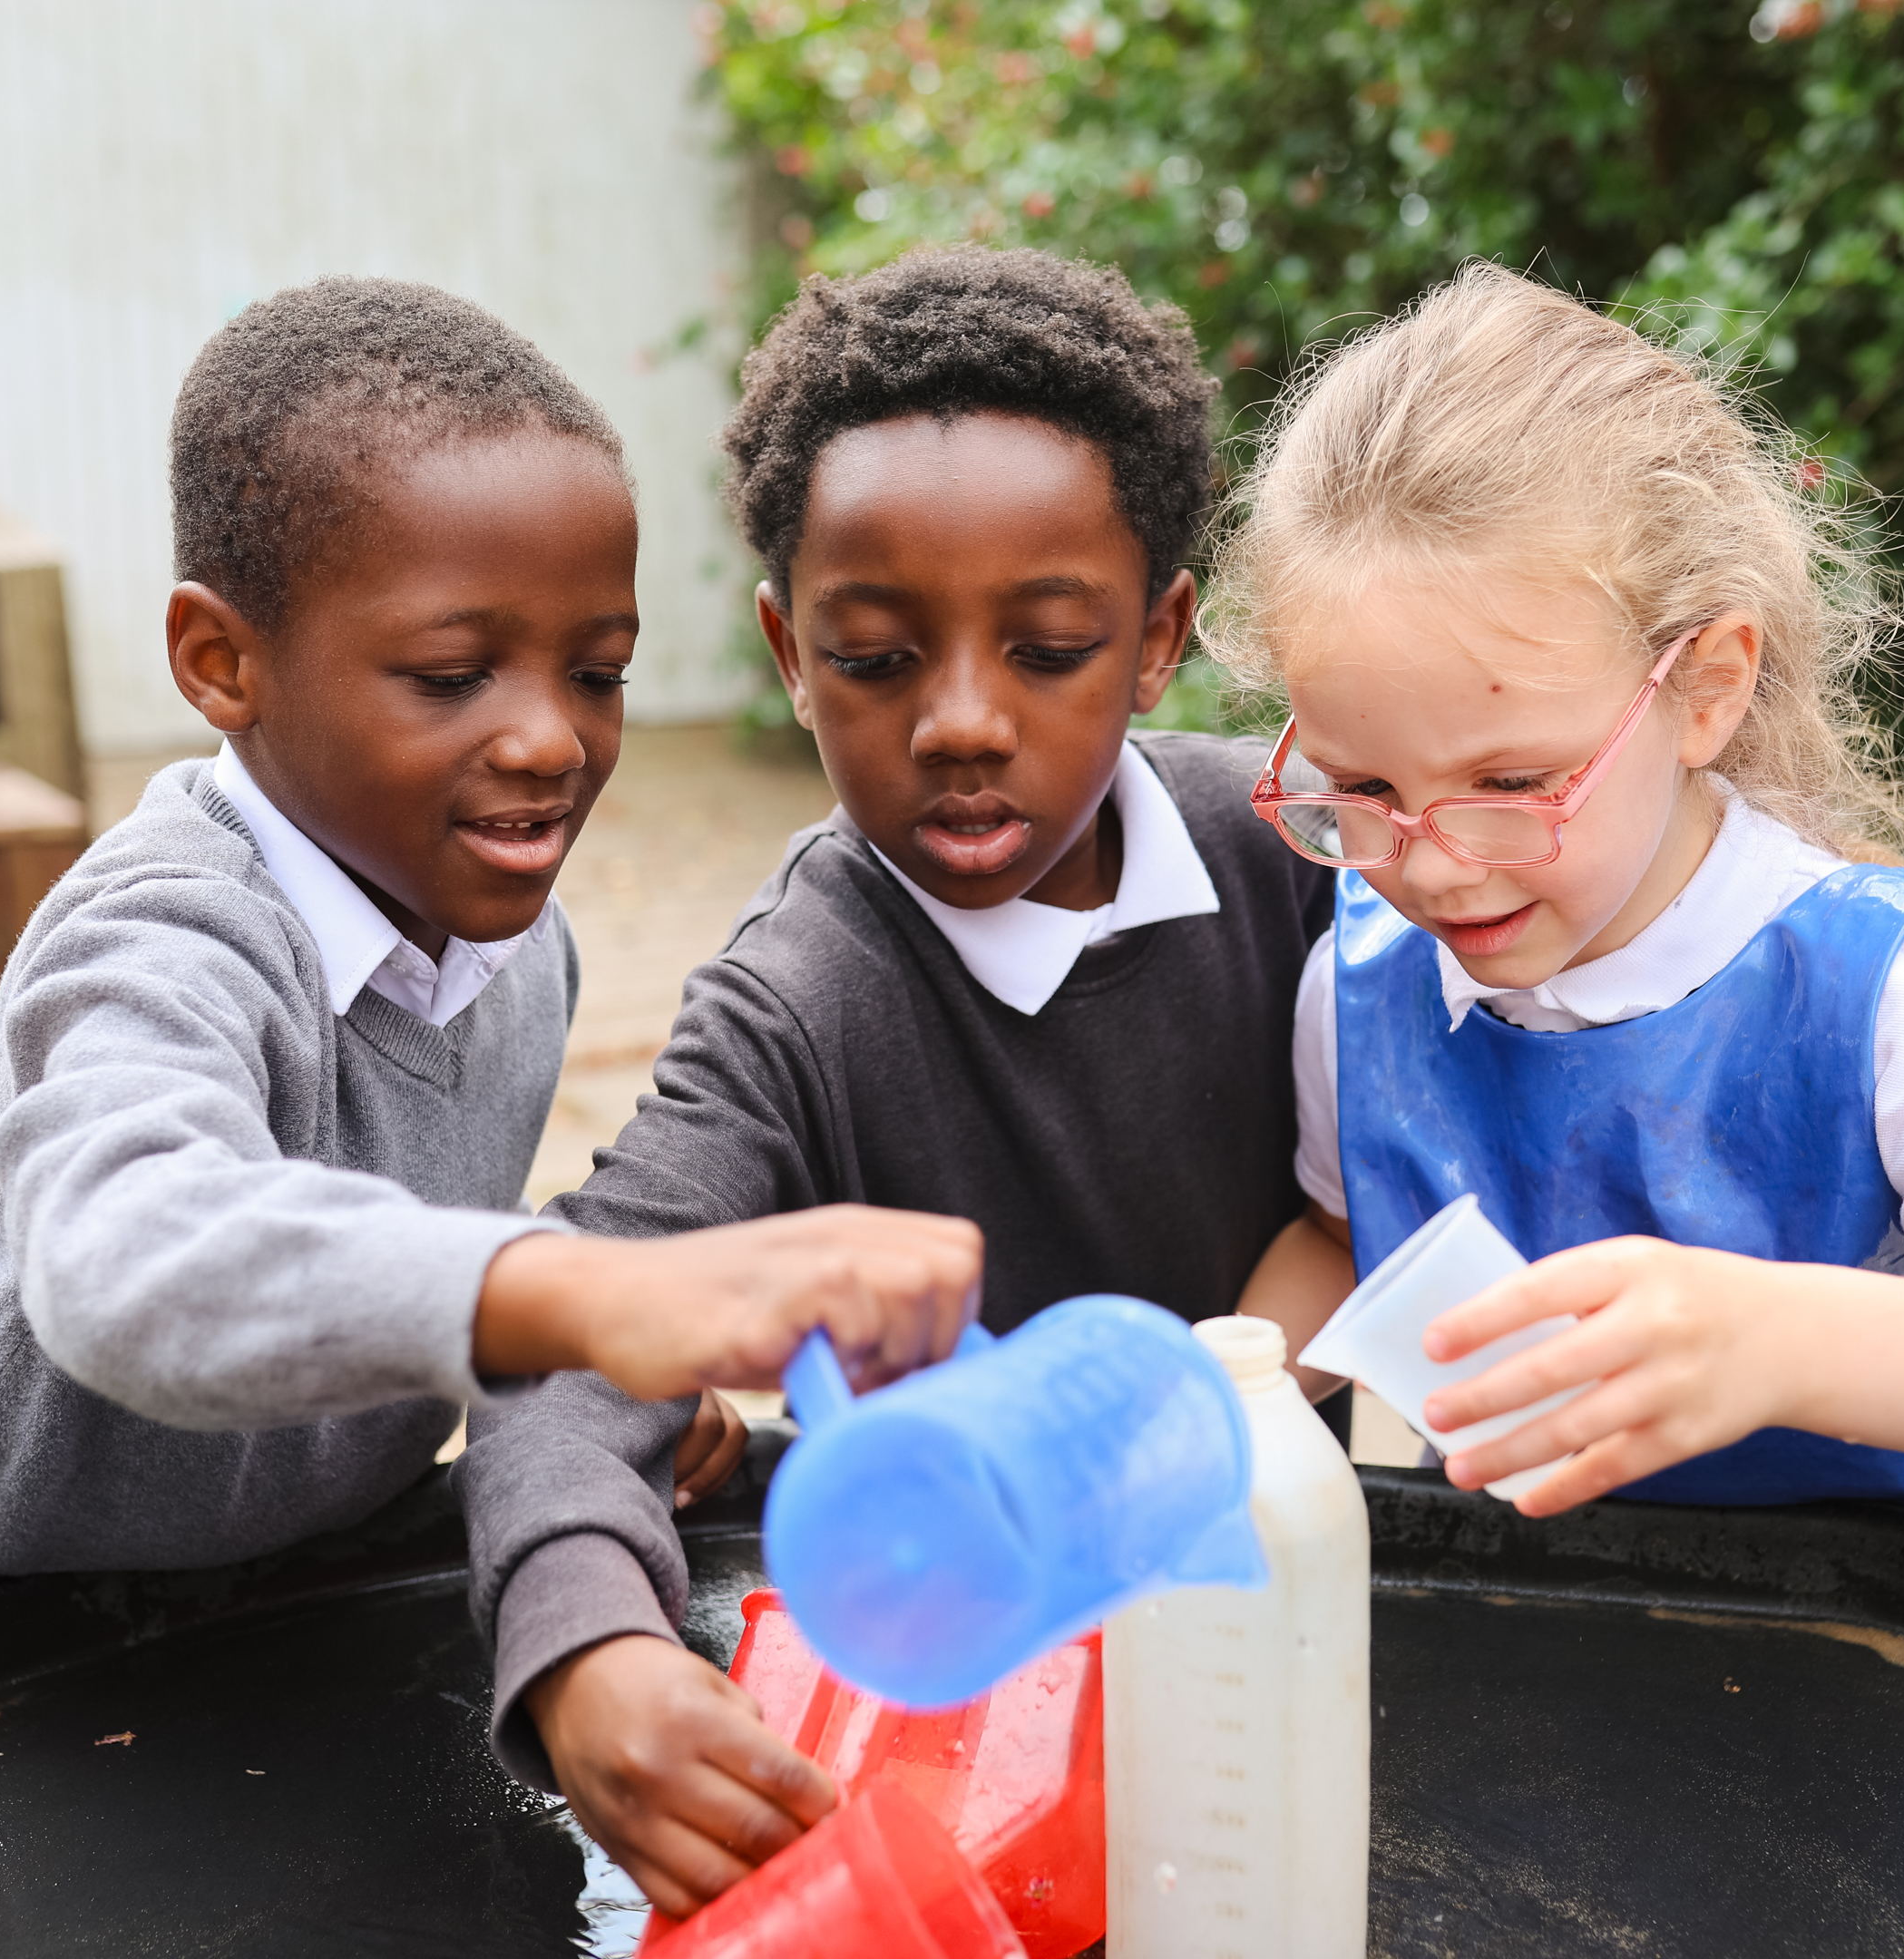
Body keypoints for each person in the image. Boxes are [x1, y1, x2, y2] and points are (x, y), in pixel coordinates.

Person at [0, 277, 979, 1638]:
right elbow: (125, 1253)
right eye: (448, 676)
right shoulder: (163, 935)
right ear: (220, 662)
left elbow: (399, 1272)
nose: (551, 740)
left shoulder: (523, 951)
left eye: (596, 673)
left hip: (282, 1579)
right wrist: (584, 1294)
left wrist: (597, 1366)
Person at [456, 246, 1333, 1915]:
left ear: (1158, 640)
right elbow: (571, 1333)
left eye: (1050, 646)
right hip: (992, 1732)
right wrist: (585, 1643)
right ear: (790, 652)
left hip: (1279, 1659)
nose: (959, 723)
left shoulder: (1305, 862)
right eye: (875, 658)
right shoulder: (801, 999)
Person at [1215, 264, 1904, 1536]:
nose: (1430, 863)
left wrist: (1773, 1339)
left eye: (1515, 781)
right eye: (1360, 784)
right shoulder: (1364, 978)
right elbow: (1336, 1237)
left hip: (1899, 1674)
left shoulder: (1898, 994)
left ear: (1706, 688)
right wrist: (1206, 1397)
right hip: (1543, 1657)